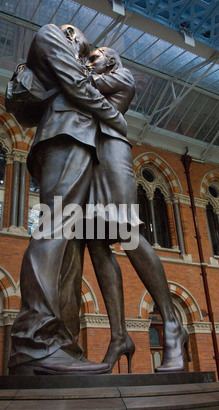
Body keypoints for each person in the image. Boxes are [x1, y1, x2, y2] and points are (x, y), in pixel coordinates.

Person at [8, 25, 129, 376]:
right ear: (70, 34)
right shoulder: (50, 35)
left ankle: (63, 345)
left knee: (71, 251)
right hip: (64, 137)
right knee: (54, 231)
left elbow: (80, 81)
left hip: (79, 143)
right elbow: (77, 85)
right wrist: (114, 118)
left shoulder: (76, 60)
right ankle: (36, 341)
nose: (84, 53)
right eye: (82, 47)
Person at [84, 47, 191, 373]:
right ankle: (119, 336)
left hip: (113, 154)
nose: (90, 61)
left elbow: (82, 87)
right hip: (89, 156)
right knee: (95, 241)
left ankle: (172, 324)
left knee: (127, 232)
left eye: (95, 56)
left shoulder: (121, 76)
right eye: (88, 58)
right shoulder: (95, 76)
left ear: (112, 59)